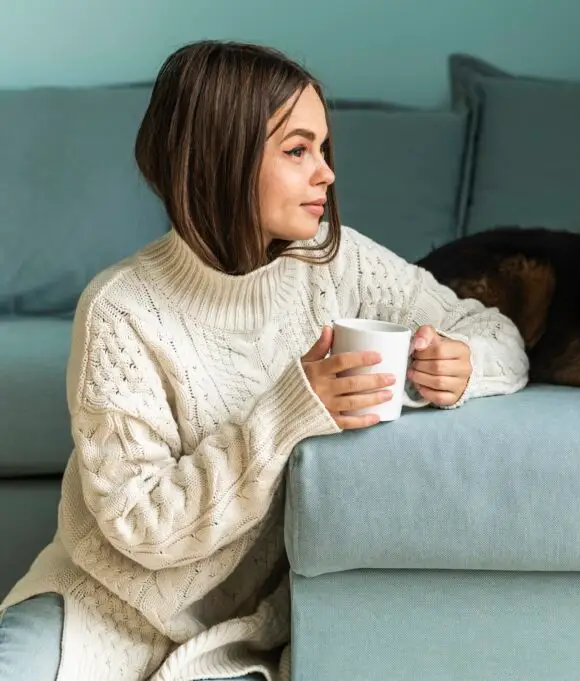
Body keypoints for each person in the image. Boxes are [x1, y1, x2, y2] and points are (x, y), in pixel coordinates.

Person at [0, 40, 529, 681]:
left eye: (324, 150)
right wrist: (291, 410)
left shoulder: (340, 265)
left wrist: (464, 363)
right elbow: (143, 526)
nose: (326, 174)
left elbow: (493, 331)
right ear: (220, 160)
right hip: (104, 609)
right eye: (298, 150)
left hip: (245, 634)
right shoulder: (121, 309)